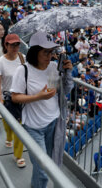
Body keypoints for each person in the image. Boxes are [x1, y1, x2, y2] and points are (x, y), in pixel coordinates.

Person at [11, 31, 73, 188]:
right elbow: (15, 97)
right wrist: (38, 97)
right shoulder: (23, 70)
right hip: (33, 127)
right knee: (44, 170)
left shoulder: (53, 67)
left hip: (53, 123)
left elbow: (64, 90)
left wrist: (67, 72)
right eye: (45, 52)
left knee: (46, 165)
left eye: (51, 52)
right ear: (34, 52)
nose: (49, 56)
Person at [0, 34, 26, 168]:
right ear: (6, 46)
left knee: (20, 127)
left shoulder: (22, 57)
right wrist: (0, 100)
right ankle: (8, 137)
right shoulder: (0, 62)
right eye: (12, 45)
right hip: (8, 98)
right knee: (8, 124)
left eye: (17, 44)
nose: (15, 47)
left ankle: (18, 155)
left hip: (21, 97)